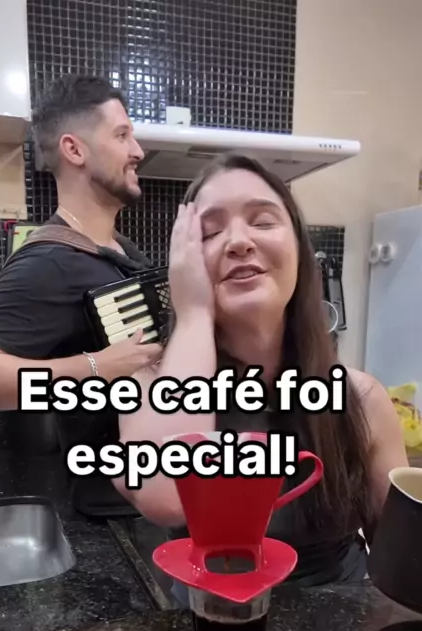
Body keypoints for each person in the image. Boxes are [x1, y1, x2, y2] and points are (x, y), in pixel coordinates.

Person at [112, 152, 408, 587]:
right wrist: (193, 315)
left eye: (263, 222)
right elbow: (168, 495)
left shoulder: (360, 399)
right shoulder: (146, 386)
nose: (238, 242)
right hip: (209, 621)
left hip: (341, 623)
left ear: (300, 252)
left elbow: (401, 563)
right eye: (211, 231)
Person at [0, 74, 162, 517]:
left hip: (156, 493)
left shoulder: (123, 251)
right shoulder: (48, 260)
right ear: (74, 150)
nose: (138, 151)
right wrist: (97, 366)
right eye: (122, 135)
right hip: (113, 513)